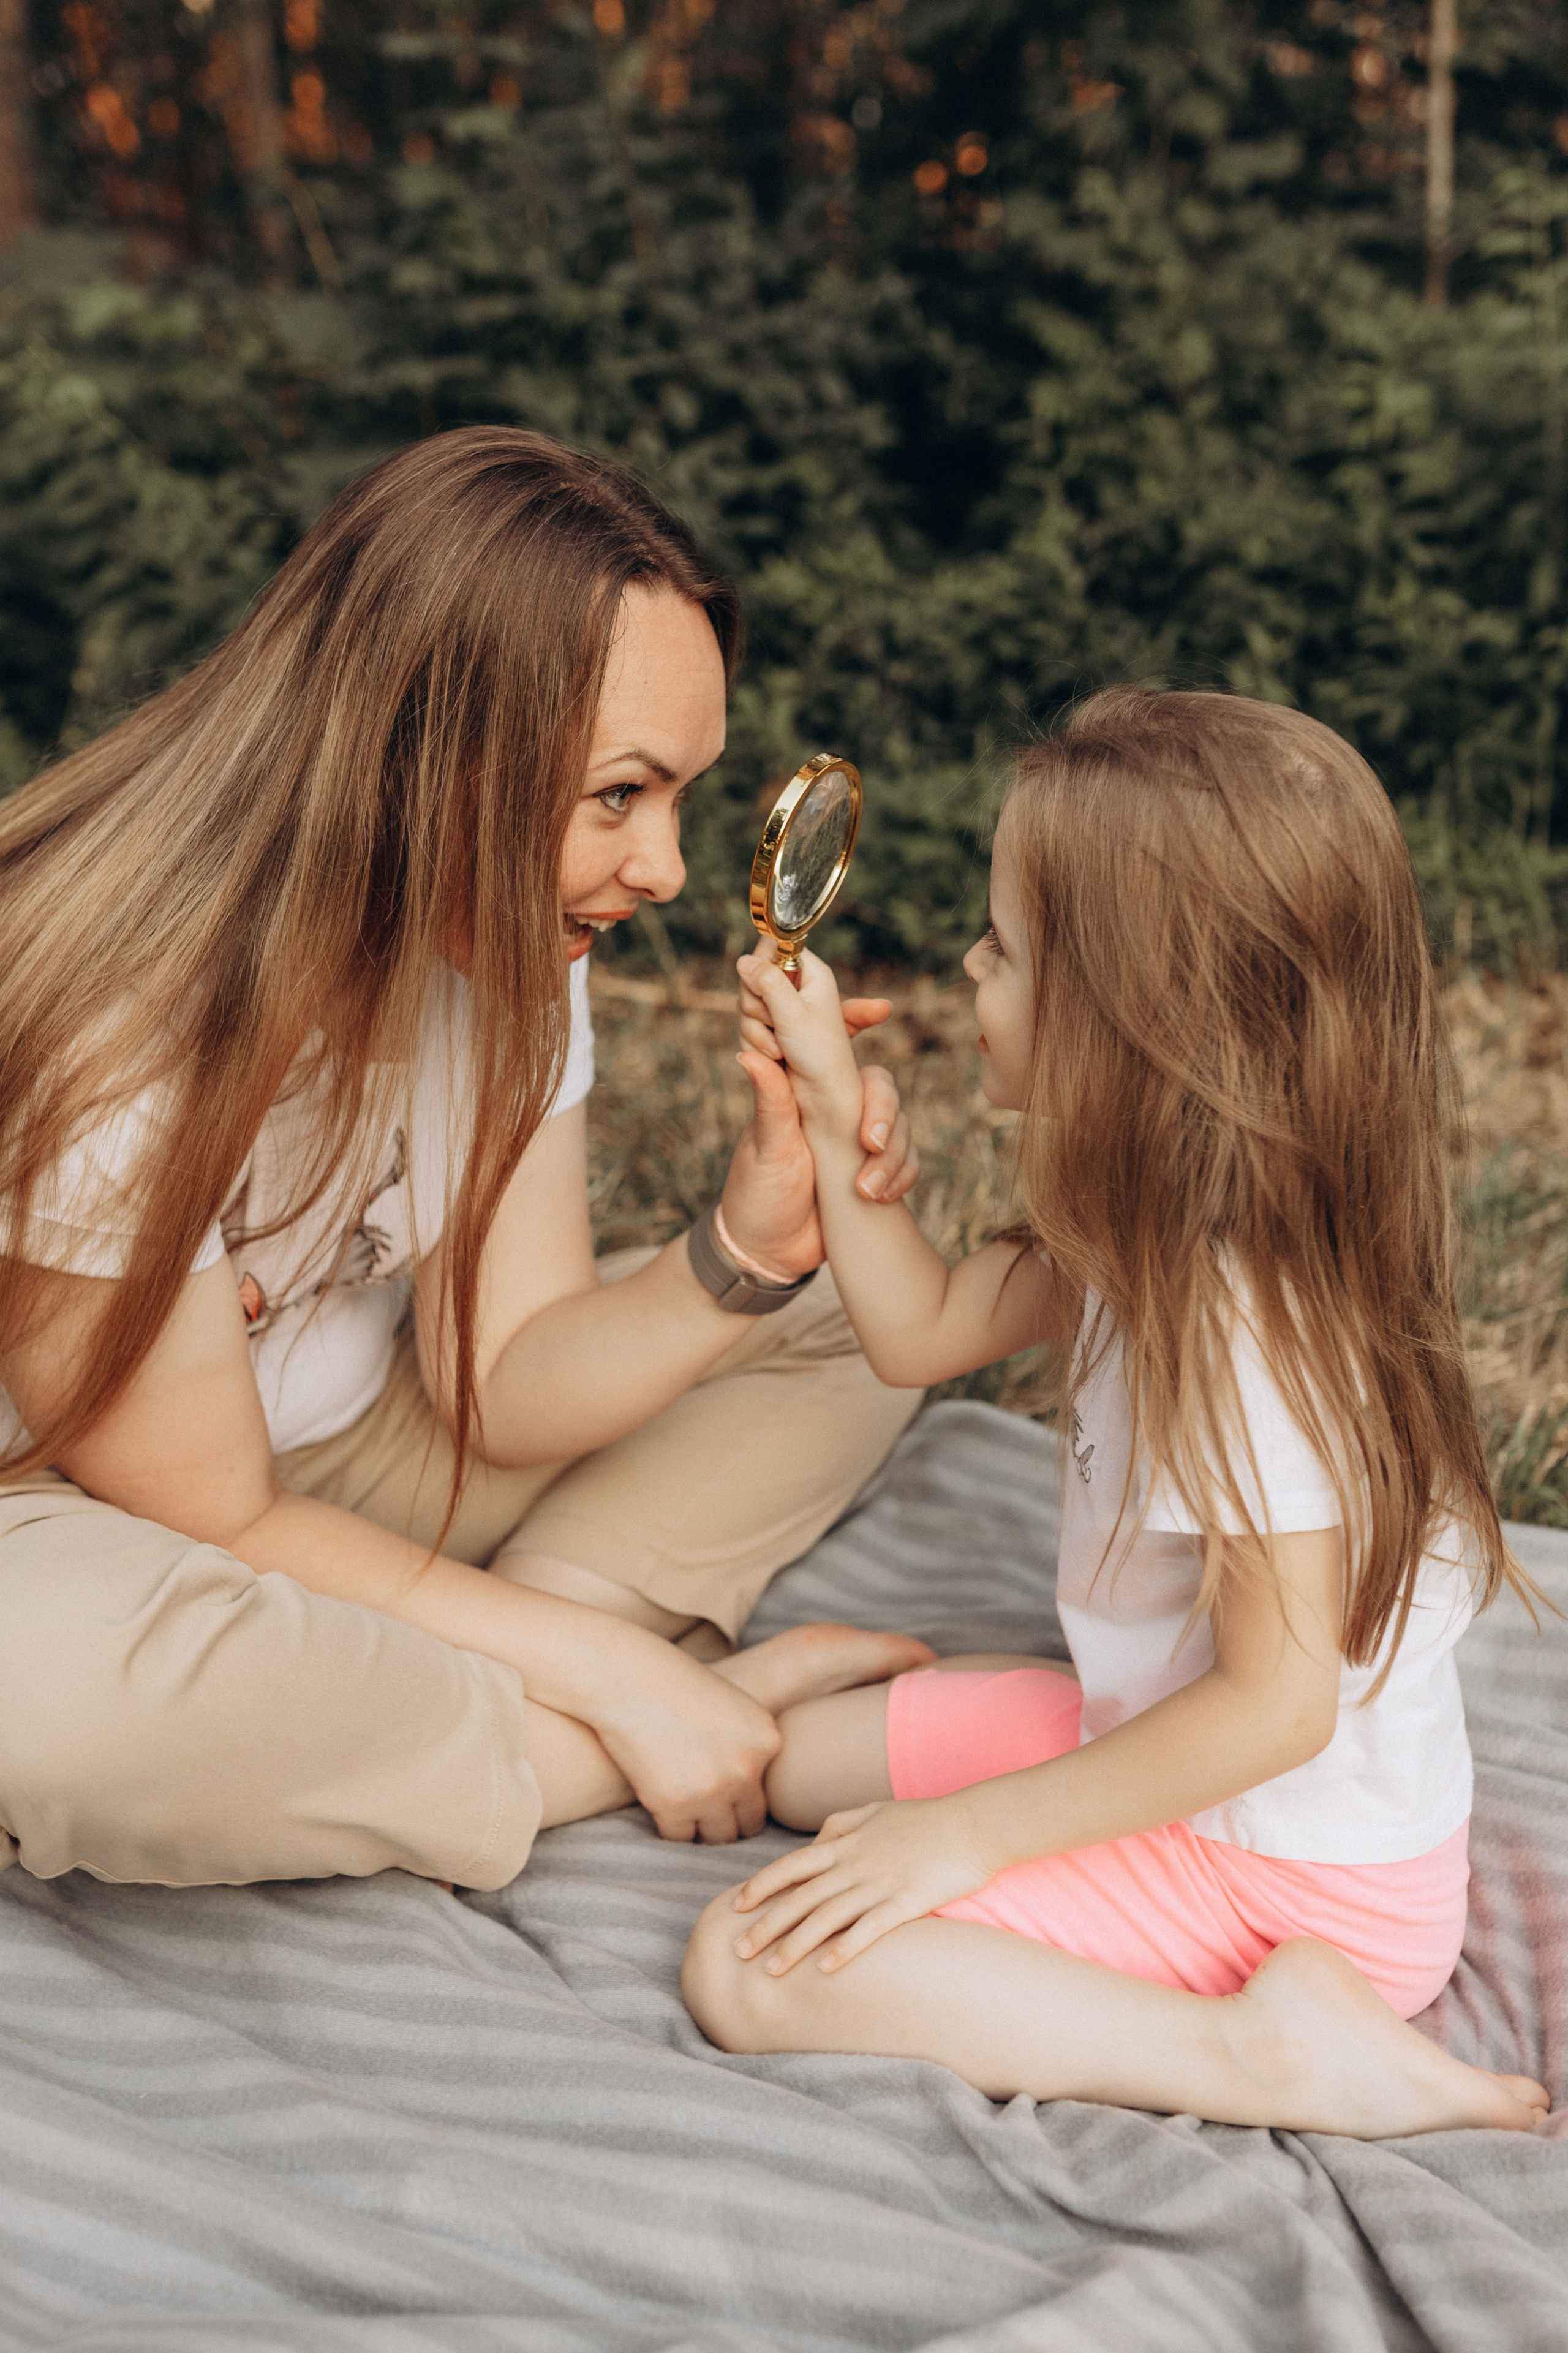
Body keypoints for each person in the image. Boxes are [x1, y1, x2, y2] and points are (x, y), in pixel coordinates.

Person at [0, 426, 932, 1894]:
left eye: (679, 798)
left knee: (858, 1308)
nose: (664, 870)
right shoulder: (108, 1017)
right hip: (71, 1503)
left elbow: (499, 1381)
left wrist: (750, 1250)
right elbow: (211, 1511)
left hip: (349, 1453)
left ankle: (484, 1670)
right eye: (618, 796)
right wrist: (612, 1672)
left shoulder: (515, 937)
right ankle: (615, 1719)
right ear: (420, 755)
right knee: (68, 1722)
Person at [683, 687, 1552, 2139]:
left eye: (1001, 948)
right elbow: (919, 1331)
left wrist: (958, 1841)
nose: (968, 967)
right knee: (795, 1769)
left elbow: (1274, 1708)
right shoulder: (1137, 1223)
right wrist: (831, 1117)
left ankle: (1266, 2054)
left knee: (748, 1964)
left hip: (1301, 1879)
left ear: (1127, 1021)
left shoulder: (1243, 1322)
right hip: (1176, 1754)